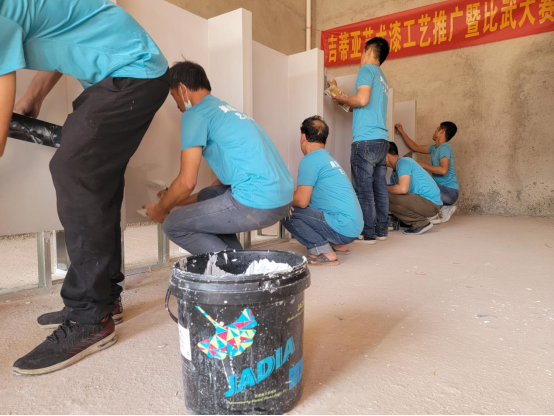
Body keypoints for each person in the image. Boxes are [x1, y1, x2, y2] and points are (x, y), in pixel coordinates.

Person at [1, 0, 170, 376]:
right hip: (120, 77)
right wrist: (34, 97)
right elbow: (59, 39)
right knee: (97, 175)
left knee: (74, 168)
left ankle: (89, 318)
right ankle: (103, 298)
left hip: (132, 72)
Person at [145, 61, 293, 255]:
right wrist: (176, 201)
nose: (178, 106)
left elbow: (187, 182)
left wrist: (161, 209)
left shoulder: (195, 114)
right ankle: (235, 255)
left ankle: (235, 267)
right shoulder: (227, 111)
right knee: (209, 194)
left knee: (173, 225)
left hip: (257, 204)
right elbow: (221, 183)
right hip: (282, 201)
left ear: (182, 89)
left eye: (174, 97)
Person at [282, 116, 364, 266]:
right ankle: (339, 245)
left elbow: (301, 201)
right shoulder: (328, 159)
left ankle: (323, 251)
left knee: (284, 210)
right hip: (353, 227)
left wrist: (279, 197)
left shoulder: (310, 160)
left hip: (342, 227)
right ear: (325, 141)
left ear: (302, 137)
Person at [332, 37, 391, 245]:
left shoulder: (366, 70)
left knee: (363, 189)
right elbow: (359, 105)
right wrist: (342, 98)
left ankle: (368, 233)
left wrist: (341, 98)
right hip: (381, 140)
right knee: (379, 188)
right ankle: (381, 230)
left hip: (366, 140)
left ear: (368, 51)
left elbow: (362, 99)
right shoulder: (382, 78)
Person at [395, 122, 459, 224]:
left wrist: (420, 164)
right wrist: (401, 131)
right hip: (443, 191)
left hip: (448, 192)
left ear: (442, 131)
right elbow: (415, 147)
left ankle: (436, 212)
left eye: (437, 128)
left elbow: (443, 170)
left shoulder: (445, 147)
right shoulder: (434, 148)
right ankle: (443, 208)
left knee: (419, 187)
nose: (435, 131)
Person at [387, 143, 443, 235]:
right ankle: (414, 221)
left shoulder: (403, 162)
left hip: (431, 204)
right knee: (387, 200)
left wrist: (381, 188)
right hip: (423, 203)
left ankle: (421, 223)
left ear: (386, 155)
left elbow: (403, 189)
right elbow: (394, 190)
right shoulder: (394, 173)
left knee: (383, 194)